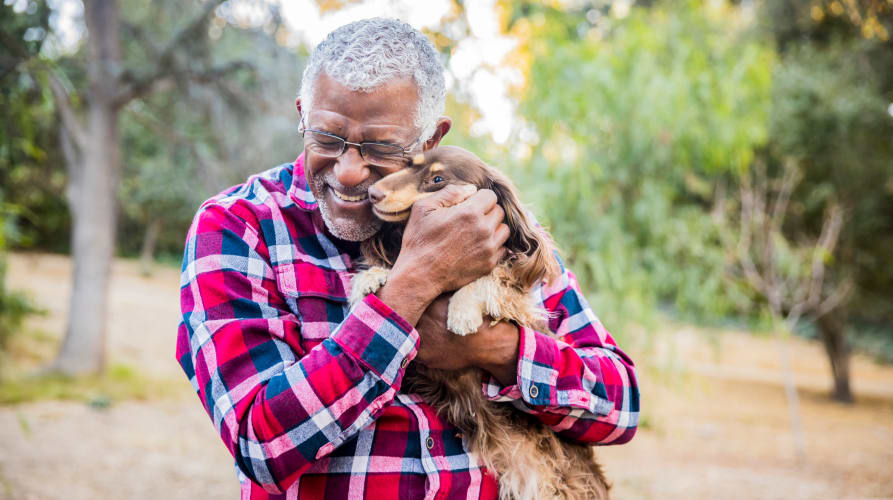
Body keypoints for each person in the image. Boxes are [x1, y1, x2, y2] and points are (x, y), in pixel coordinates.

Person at [176, 17, 639, 500]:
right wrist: (413, 285)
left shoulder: (486, 224)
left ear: (431, 140)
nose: (350, 173)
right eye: (327, 139)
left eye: (380, 147)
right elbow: (262, 445)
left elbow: (620, 406)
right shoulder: (237, 227)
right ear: (302, 115)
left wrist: (493, 349)